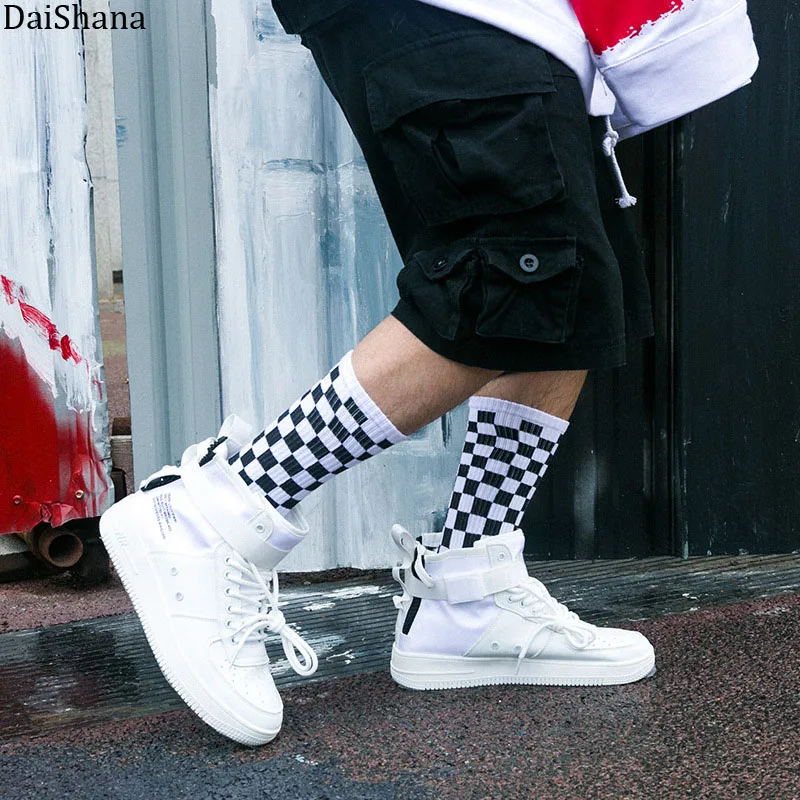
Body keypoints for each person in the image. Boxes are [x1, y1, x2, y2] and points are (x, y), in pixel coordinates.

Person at [99, 0, 758, 746]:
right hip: (465, 14)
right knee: (506, 284)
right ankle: (219, 510)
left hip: (535, 29)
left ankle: (466, 600)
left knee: (568, 296)